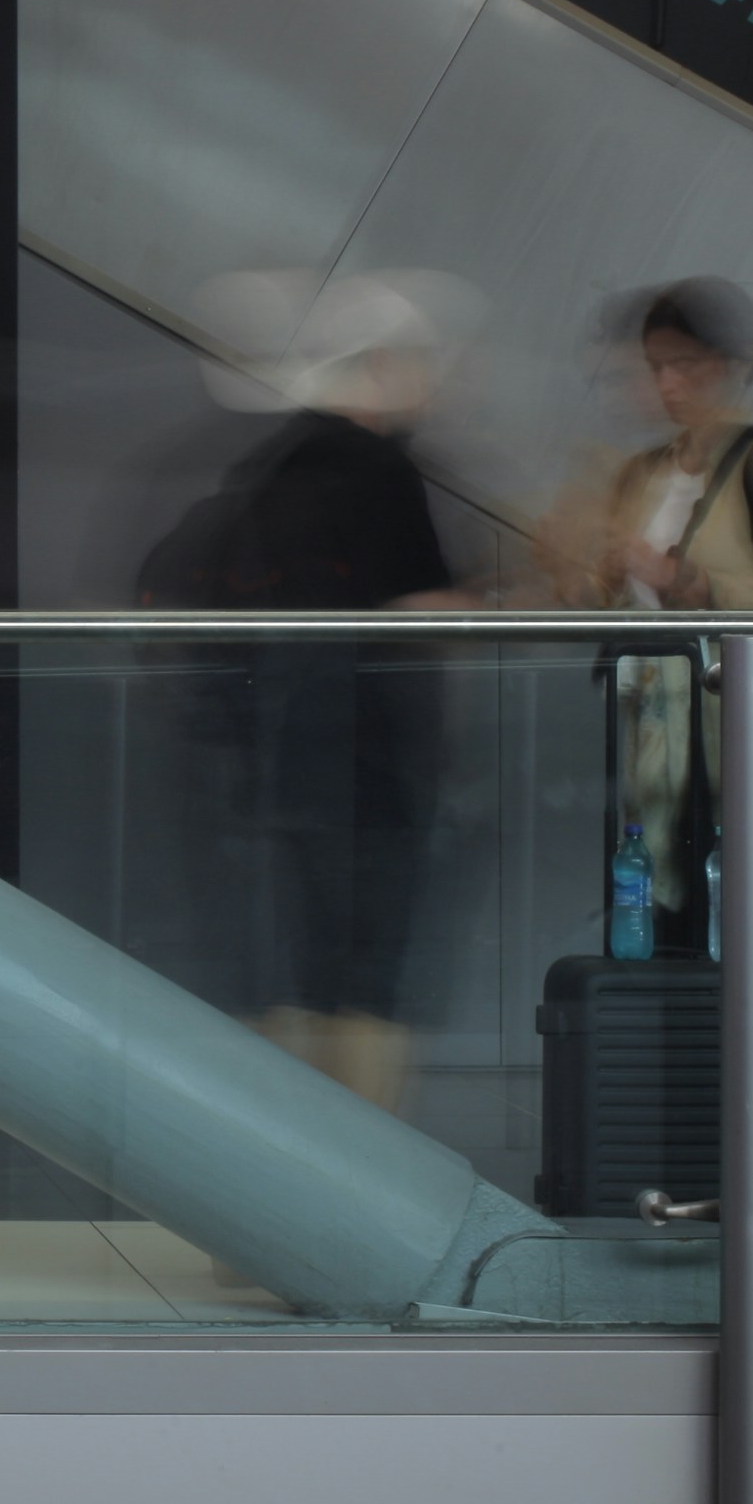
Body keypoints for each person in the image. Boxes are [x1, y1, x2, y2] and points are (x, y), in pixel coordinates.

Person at [138, 275, 463, 1111]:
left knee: (291, 962)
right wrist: (527, 605)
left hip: (268, 759)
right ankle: (357, 1161)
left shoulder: (270, 463)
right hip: (366, 759)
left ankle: (279, 1148)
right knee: (365, 970)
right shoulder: (378, 469)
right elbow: (417, 611)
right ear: (382, 364)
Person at [534, 278, 753, 1009]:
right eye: (657, 367)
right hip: (655, 768)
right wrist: (585, 572)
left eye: (686, 364)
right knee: (669, 971)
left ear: (734, 365)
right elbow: (607, 603)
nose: (669, 384)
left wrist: (690, 581)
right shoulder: (641, 474)